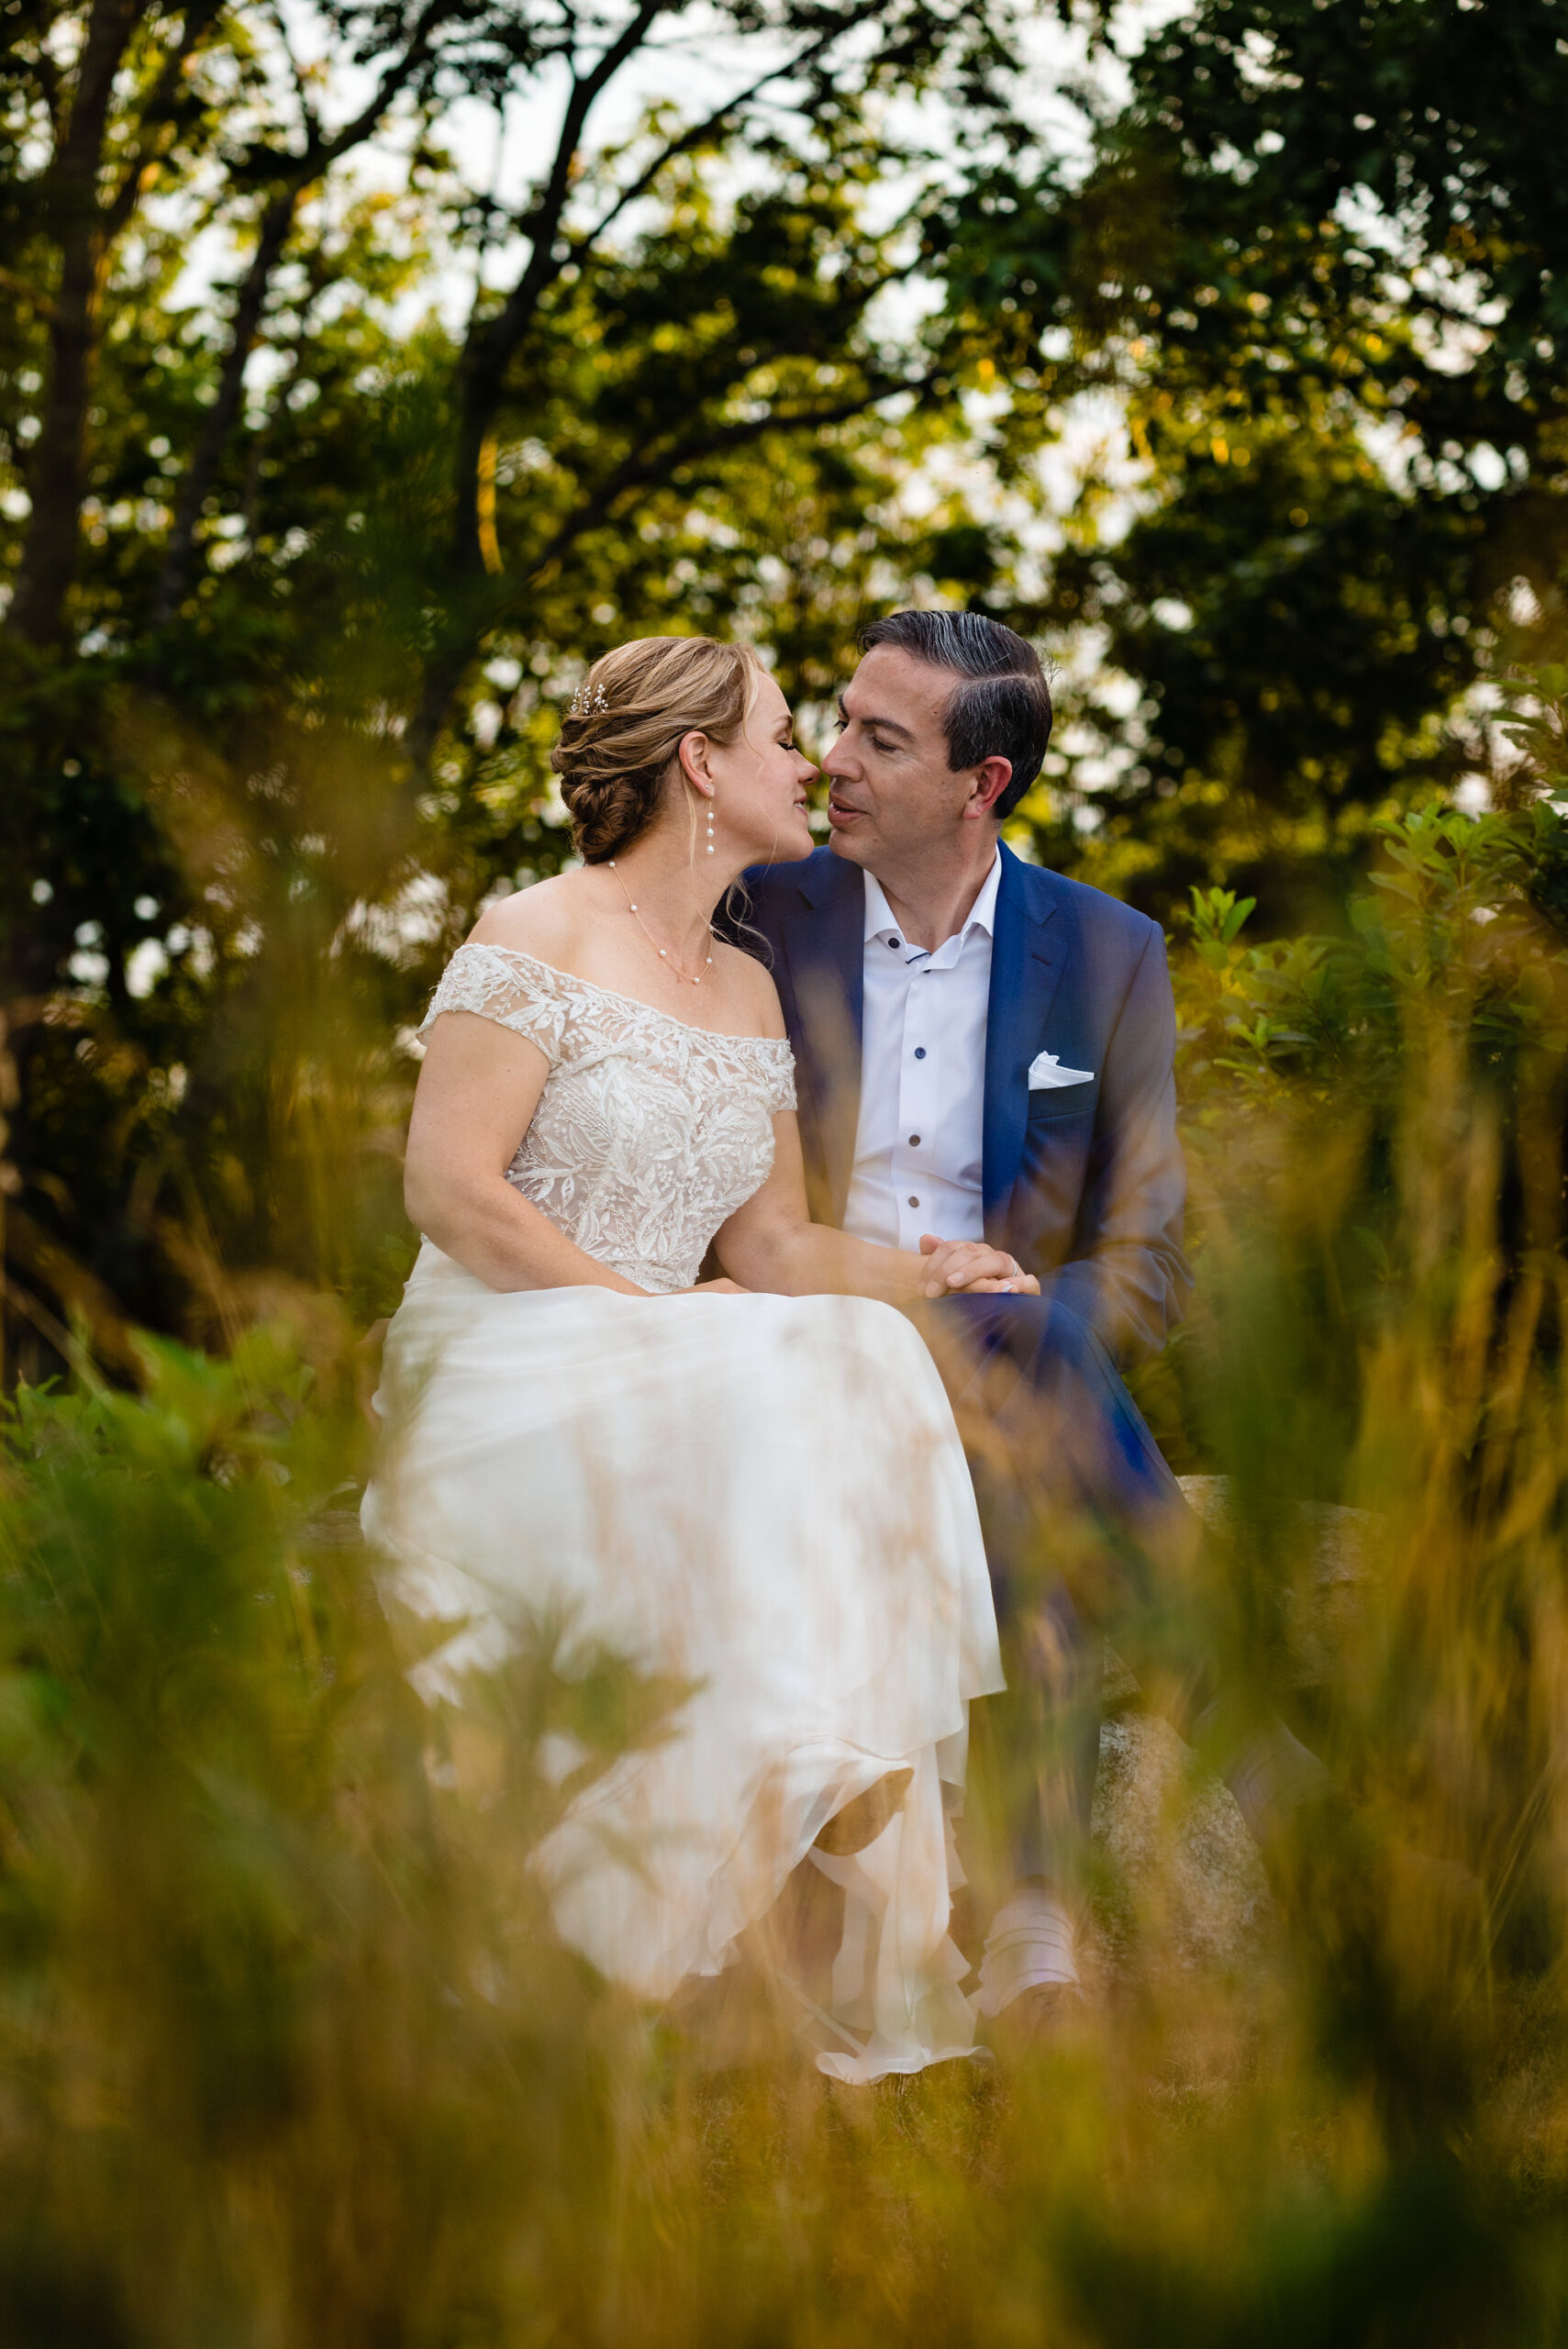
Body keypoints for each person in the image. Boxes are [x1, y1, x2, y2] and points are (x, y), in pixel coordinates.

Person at [361, 633, 1040, 2084]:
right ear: (701, 765)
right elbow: (454, 1194)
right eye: (788, 735)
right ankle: (798, 1784)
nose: (815, 765)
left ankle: (815, 1767)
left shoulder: (742, 989)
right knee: (770, 1364)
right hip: (506, 1363)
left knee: (853, 1342)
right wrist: (642, 1322)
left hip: (672, 1366)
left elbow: (777, 1249)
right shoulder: (530, 933)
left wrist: (929, 1271)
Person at [726, 609, 1203, 2043]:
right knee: (1027, 1365)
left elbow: (1149, 1257)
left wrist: (1025, 1305)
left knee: (1027, 1357)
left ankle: (1029, 1914)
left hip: (999, 1356)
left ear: (978, 784)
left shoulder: (1107, 952)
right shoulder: (760, 914)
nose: (833, 764)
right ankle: (1075, 1876)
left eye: (881, 738)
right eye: (839, 721)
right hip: (800, 1330)